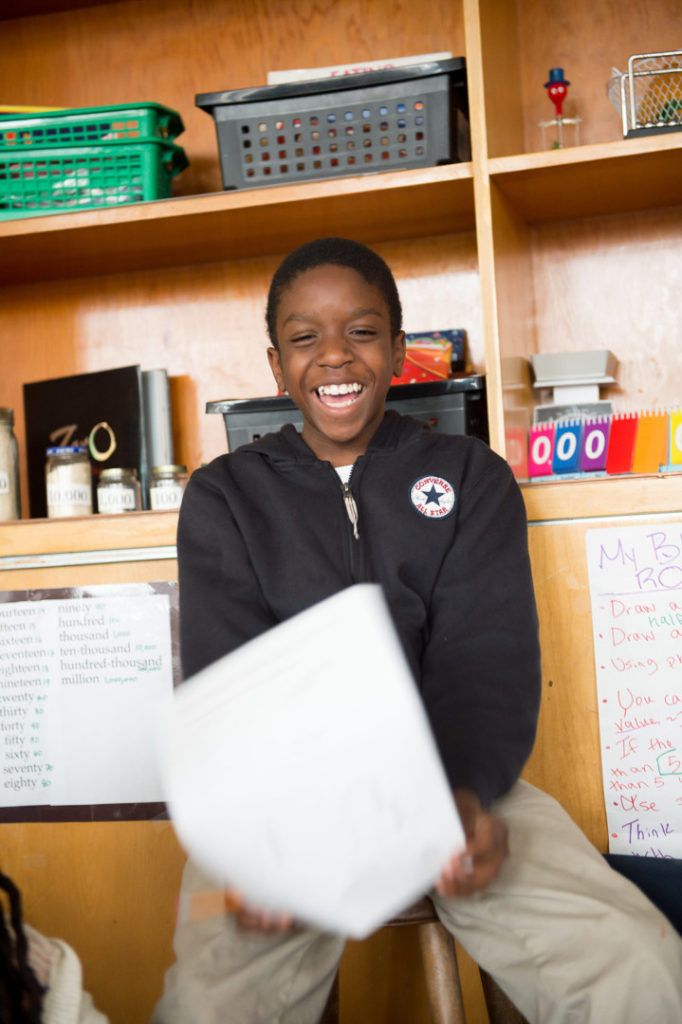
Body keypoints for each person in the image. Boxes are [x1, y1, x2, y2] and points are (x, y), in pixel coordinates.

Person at [152, 237, 682, 1024]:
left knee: (636, 963)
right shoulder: (225, 495)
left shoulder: (471, 475)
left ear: (399, 351)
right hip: (288, 806)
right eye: (305, 339)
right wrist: (258, 837)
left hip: (460, 788)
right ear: (275, 364)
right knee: (211, 1001)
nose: (334, 357)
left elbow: (486, 657)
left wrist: (464, 793)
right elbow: (227, 677)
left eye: (362, 332)